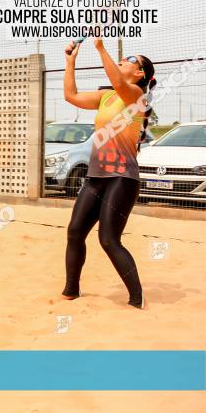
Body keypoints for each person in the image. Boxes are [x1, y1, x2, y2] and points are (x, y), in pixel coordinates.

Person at [61, 37, 156, 309]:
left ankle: (136, 299)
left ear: (139, 74)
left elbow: (118, 82)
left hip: (122, 178)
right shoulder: (107, 96)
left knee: (108, 239)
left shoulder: (136, 96)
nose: (125, 60)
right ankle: (71, 290)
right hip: (96, 176)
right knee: (75, 233)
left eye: (131, 60)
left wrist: (100, 47)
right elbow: (71, 96)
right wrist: (71, 62)